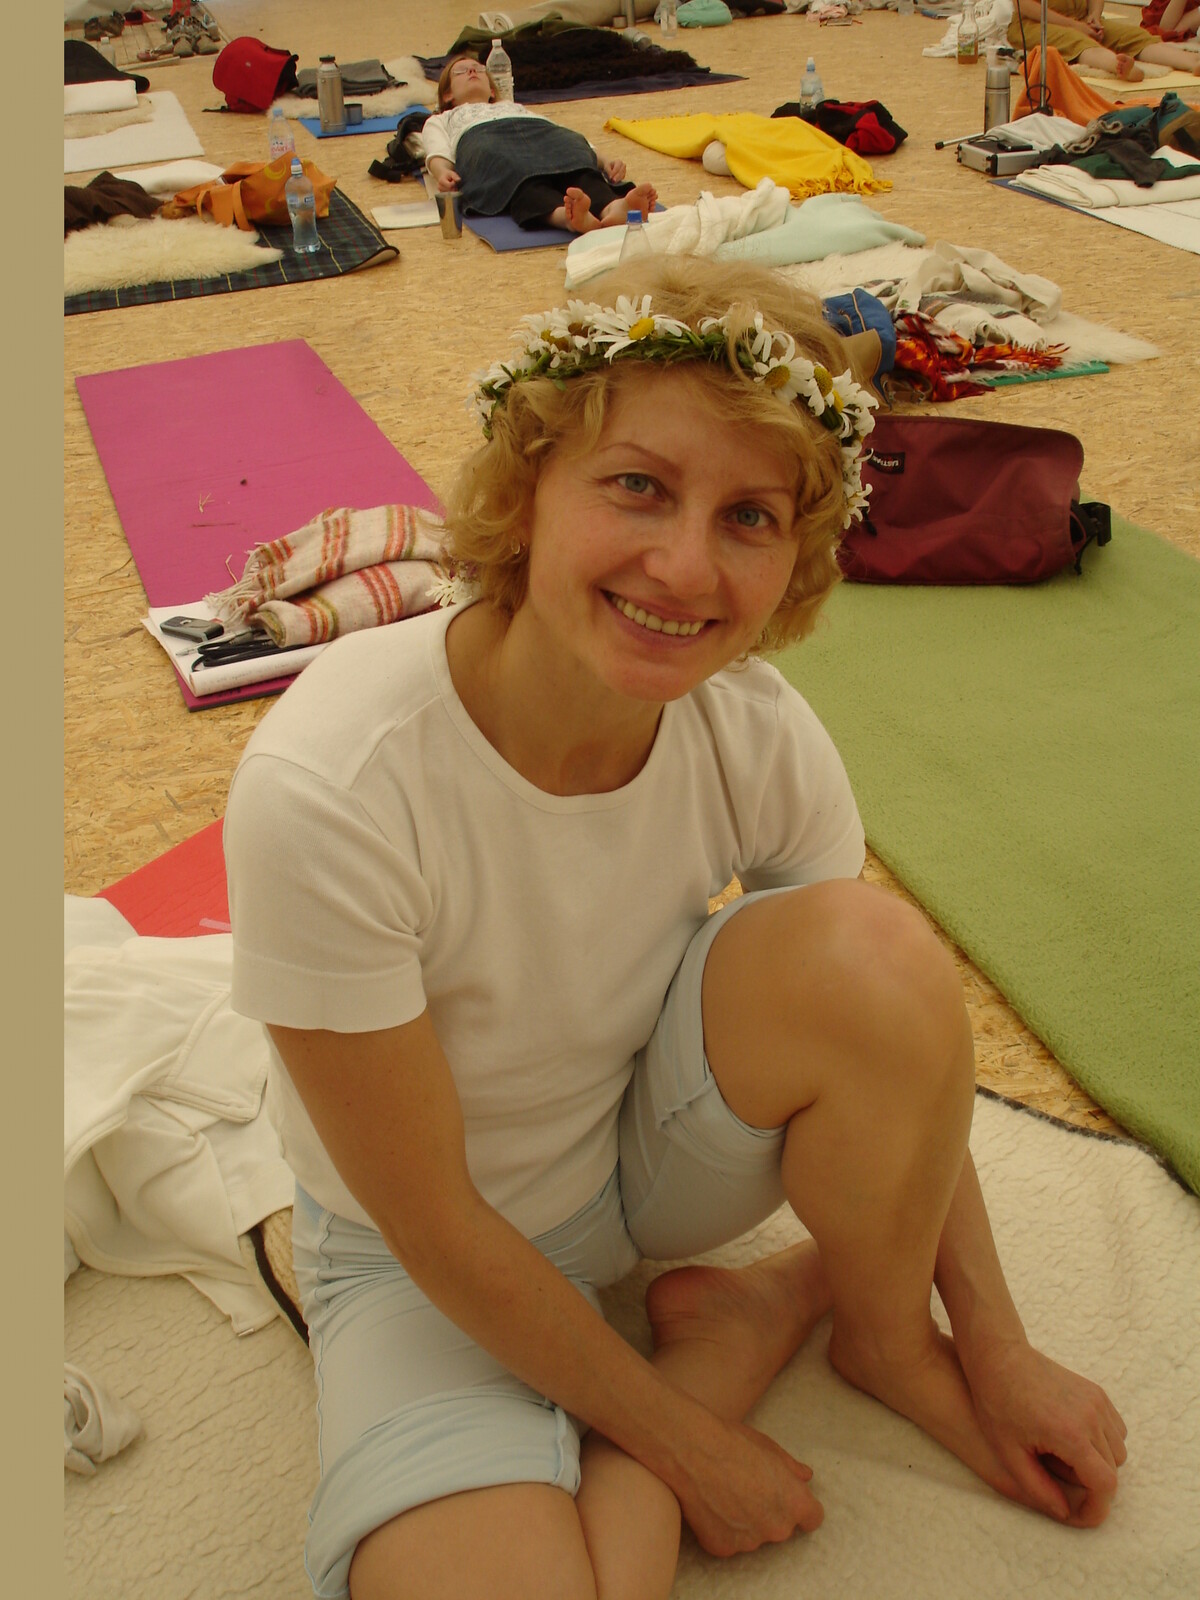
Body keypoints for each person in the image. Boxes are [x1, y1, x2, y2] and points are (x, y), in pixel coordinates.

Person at [224, 255, 1127, 1600]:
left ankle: (878, 1337)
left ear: (798, 557)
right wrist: (681, 1445)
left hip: (640, 1169)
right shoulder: (330, 787)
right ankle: (741, 1327)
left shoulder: (751, 727)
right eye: (638, 486)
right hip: (421, 1259)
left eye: (749, 516)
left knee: (875, 950)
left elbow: (900, 1041)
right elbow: (433, 1221)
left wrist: (989, 1341)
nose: (686, 567)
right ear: (528, 488)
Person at [421, 53, 658, 231]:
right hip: (487, 141)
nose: (472, 71)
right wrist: (442, 172)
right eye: (461, 71)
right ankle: (568, 217)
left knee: (577, 164)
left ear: (492, 91)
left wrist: (604, 161)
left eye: (479, 69)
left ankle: (614, 208)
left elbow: (564, 135)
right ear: (447, 94)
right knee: (518, 178)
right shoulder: (443, 118)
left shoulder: (514, 107)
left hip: (540, 133)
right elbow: (436, 150)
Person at [1009, 0, 1200, 78]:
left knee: (1133, 36)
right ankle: (1119, 67)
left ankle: (1192, 61)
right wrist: (1074, 26)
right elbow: (1023, 6)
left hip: (1082, 17)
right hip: (1036, 23)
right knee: (1079, 42)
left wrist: (1094, 16)